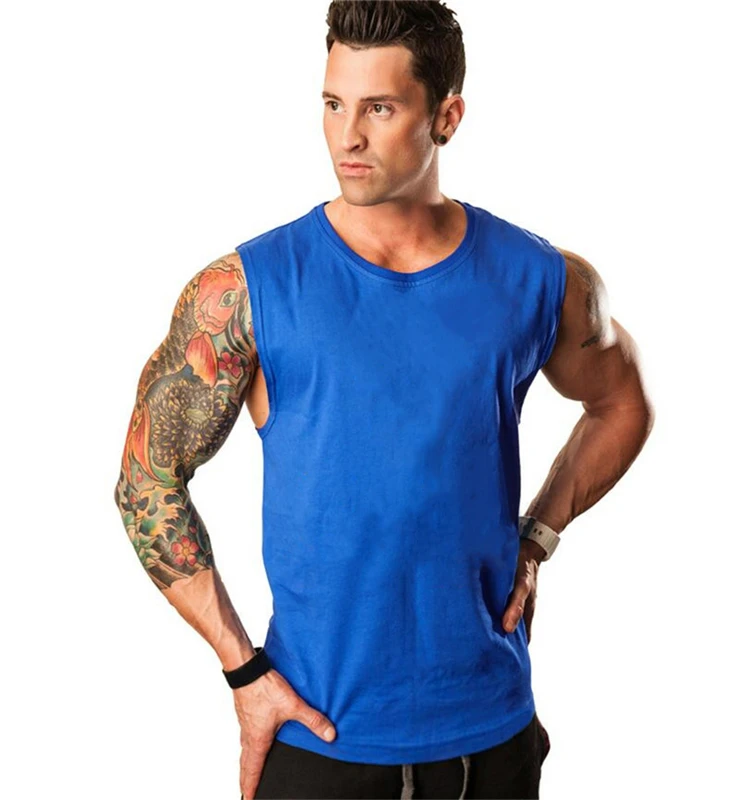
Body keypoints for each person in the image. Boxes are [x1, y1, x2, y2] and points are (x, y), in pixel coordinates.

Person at [113, 1, 655, 797]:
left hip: (492, 739)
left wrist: (538, 535)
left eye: (379, 108)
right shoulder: (246, 292)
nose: (347, 136)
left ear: (446, 117)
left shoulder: (539, 279)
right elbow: (146, 479)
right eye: (333, 103)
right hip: (320, 738)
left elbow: (621, 404)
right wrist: (242, 670)